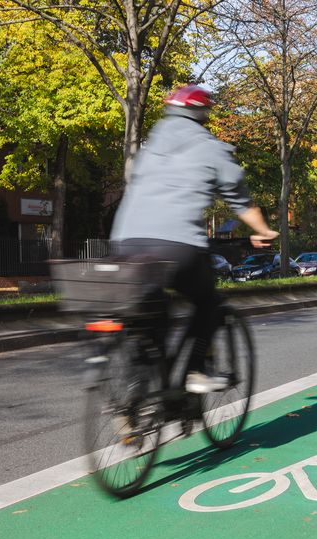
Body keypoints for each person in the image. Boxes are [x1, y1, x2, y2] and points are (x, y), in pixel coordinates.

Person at [110, 84, 278, 393]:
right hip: (178, 246)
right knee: (208, 301)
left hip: (126, 242)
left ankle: (138, 393)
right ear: (202, 114)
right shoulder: (210, 146)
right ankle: (196, 370)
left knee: (150, 311)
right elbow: (239, 199)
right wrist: (263, 230)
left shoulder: (148, 148)